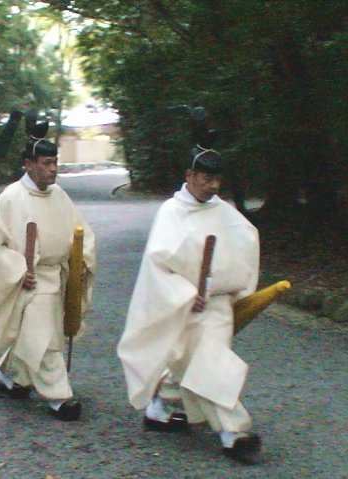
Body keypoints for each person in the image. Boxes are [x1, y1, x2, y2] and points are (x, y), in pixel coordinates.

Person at [117, 146, 262, 461]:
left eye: (217, 180)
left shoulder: (223, 211)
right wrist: (185, 294)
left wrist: (238, 290)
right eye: (206, 179)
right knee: (208, 364)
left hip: (218, 303)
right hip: (184, 305)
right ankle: (233, 432)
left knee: (194, 362)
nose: (213, 186)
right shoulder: (172, 212)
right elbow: (158, 265)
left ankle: (159, 403)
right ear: (190, 176)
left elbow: (246, 241)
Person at [0, 133, 96, 421]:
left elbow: (82, 231)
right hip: (30, 280)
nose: (53, 169)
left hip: (57, 275)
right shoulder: (11, 197)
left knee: (33, 332)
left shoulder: (59, 195)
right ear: (28, 164)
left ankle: (9, 375)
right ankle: (59, 397)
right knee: (45, 338)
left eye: (55, 163)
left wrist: (81, 260)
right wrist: (18, 270)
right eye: (46, 163)